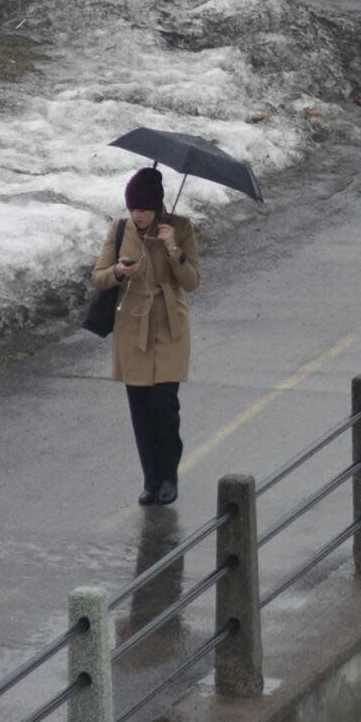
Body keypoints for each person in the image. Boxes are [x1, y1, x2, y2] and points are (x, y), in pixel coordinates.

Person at [92, 167, 201, 505]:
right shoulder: (120, 229)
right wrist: (119, 273)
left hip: (169, 326)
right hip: (132, 328)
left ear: (157, 206)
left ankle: (169, 476)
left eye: (143, 209)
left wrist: (171, 247)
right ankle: (150, 479)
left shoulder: (180, 228)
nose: (137, 215)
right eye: (132, 209)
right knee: (140, 409)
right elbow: (98, 277)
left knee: (165, 407)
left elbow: (192, 280)